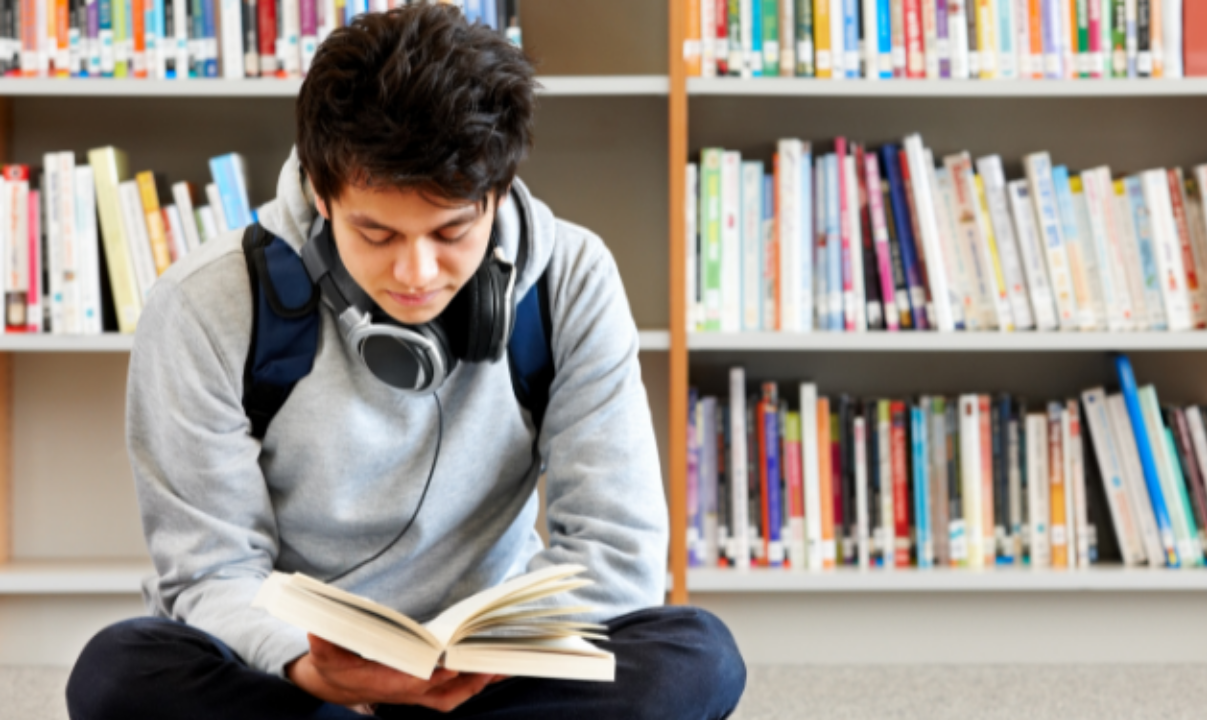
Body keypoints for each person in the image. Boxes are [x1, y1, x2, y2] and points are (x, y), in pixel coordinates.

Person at [64, 5, 745, 718]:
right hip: (300, 672)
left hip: (495, 670)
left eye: (452, 231)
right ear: (321, 193)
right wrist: (311, 668)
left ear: (499, 193)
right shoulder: (202, 303)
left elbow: (616, 549)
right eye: (376, 232)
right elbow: (211, 571)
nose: (416, 273)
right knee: (119, 672)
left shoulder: (572, 278)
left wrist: (487, 660)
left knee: (697, 654)